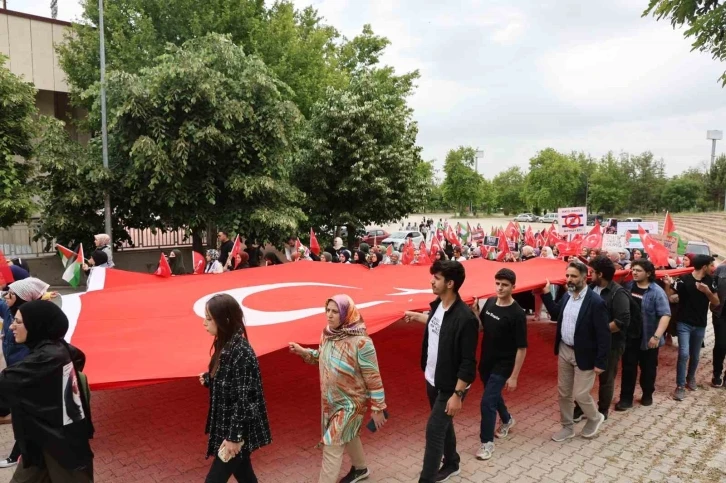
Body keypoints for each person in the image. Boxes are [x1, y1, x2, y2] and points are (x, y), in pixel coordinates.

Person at [289, 295, 387, 483]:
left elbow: (373, 377)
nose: (329, 315)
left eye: (335, 312)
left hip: (352, 404)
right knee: (349, 435)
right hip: (330, 402)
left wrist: (378, 407)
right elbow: (323, 358)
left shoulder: (362, 342)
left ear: (346, 314)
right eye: (328, 310)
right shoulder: (328, 334)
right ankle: (361, 469)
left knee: (332, 444)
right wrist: (304, 352)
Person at [0, 301, 94, 481]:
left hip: (61, 445)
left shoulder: (46, 358)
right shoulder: (59, 347)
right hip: (42, 438)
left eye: (18, 322)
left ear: (36, 325)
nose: (11, 326)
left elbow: (6, 383)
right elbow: (79, 358)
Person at [403, 260, 478, 483]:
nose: (431, 281)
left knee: (434, 430)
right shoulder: (437, 305)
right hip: (432, 378)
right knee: (444, 425)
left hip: (451, 386)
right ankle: (452, 462)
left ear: (450, 283)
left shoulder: (466, 319)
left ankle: (426, 479)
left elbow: (468, 362)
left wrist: (457, 395)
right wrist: (416, 316)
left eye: (436, 278)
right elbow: (438, 324)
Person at [199, 294, 271, 482]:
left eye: (209, 318)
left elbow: (244, 400)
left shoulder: (241, 352)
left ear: (225, 320)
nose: (204, 323)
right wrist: (210, 379)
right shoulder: (226, 344)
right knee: (245, 475)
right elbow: (231, 381)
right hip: (228, 428)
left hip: (236, 433)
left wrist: (234, 437)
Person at [540, 261, 610, 442]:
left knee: (580, 394)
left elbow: (604, 335)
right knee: (563, 392)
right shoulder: (567, 296)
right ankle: (567, 427)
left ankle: (595, 417)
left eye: (573, 276)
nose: (569, 279)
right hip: (565, 349)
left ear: (584, 278)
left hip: (585, 354)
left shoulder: (596, 302)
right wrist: (546, 294)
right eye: (567, 276)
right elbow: (556, 313)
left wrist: (601, 361)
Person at [473, 268, 527, 461]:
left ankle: (486, 443)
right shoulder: (489, 302)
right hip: (486, 361)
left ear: (513, 287)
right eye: (497, 284)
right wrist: (475, 313)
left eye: (504, 285)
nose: (500, 288)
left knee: (487, 402)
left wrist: (514, 376)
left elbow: (522, 348)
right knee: (493, 395)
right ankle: (507, 419)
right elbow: (481, 328)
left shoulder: (517, 313)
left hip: (504, 365)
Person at [0, 277, 53, 466]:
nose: (12, 326)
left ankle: (17, 455)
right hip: (14, 370)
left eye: (10, 293)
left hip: (25, 375)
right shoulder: (9, 309)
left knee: (23, 416)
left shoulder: (35, 325)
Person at [573, 256, 630, 421]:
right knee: (583, 376)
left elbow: (621, 321)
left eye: (592, 272)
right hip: (589, 344)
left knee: (606, 379)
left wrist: (599, 332)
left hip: (611, 345)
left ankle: (602, 410)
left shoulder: (618, 293)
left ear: (601, 274)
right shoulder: (589, 289)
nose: (589, 275)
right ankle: (580, 408)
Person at [616, 259, 671, 410]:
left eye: (638, 270)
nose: (634, 272)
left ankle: (647, 394)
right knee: (628, 368)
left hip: (648, 338)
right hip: (630, 337)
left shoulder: (656, 292)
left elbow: (665, 315)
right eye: (633, 269)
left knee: (648, 370)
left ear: (648, 273)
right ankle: (626, 399)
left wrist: (656, 336)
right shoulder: (628, 286)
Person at [663, 255, 719, 401]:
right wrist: (667, 285)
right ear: (704, 267)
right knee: (683, 354)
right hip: (684, 323)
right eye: (711, 265)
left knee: (695, 355)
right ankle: (680, 386)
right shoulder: (684, 279)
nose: (713, 268)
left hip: (700, 324)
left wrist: (707, 291)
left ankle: (691, 378)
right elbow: (670, 296)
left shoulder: (710, 281)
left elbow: (716, 302)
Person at [711, 261, 726, 387]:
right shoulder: (721, 269)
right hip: (720, 313)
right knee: (720, 345)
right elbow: (712, 286)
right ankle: (717, 374)